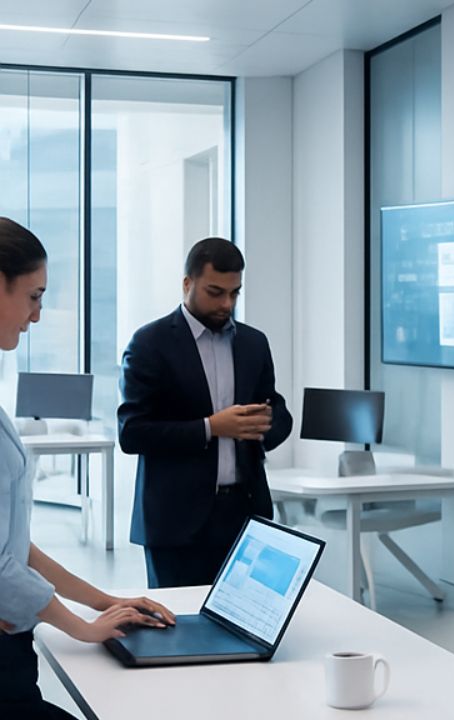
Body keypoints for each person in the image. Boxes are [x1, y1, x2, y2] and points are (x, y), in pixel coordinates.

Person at [0, 218, 176, 719]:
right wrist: (80, 627)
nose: (36, 315)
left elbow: (15, 546)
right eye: (34, 296)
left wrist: (103, 602)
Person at [118, 237, 292, 589]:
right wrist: (211, 427)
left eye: (234, 293)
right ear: (187, 283)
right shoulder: (149, 344)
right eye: (215, 292)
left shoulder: (253, 343)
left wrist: (264, 424)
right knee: (178, 632)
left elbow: (277, 410)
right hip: (175, 521)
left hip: (244, 514)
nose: (226, 304)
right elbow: (132, 432)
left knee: (247, 630)